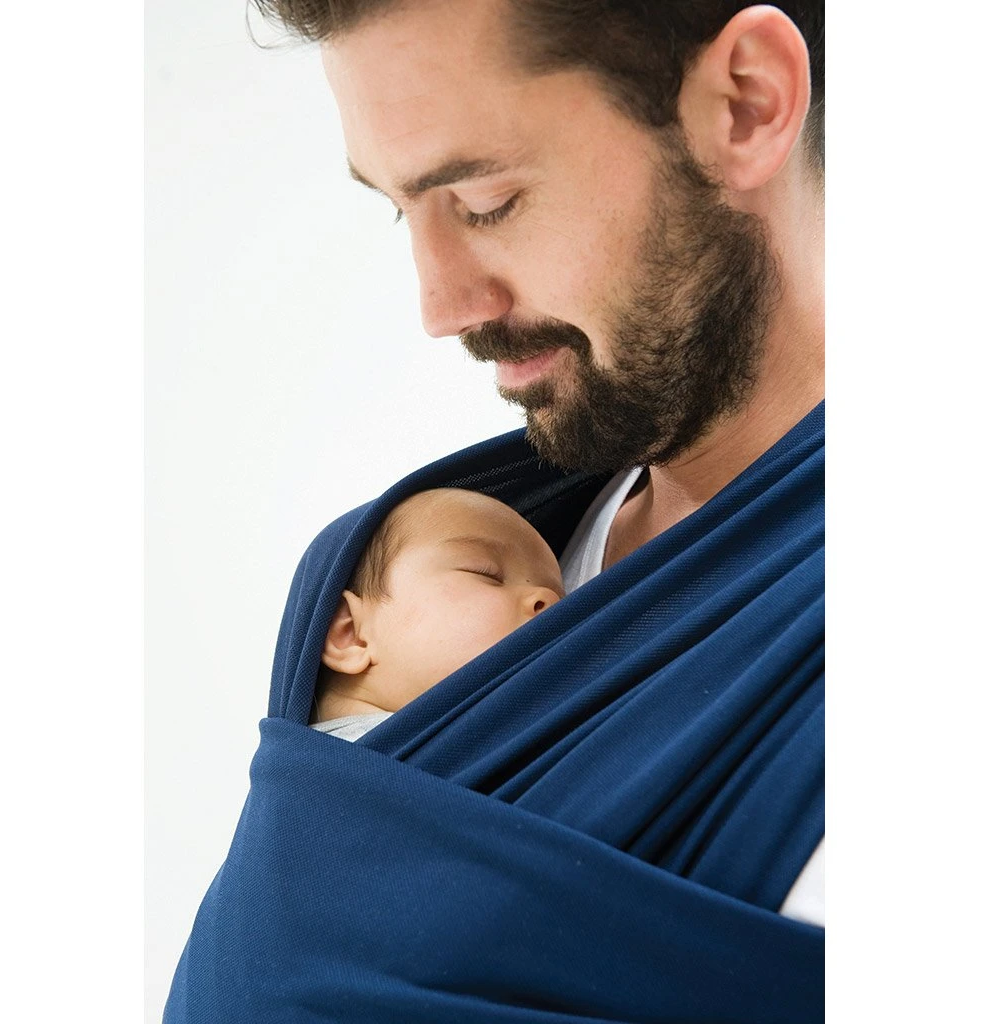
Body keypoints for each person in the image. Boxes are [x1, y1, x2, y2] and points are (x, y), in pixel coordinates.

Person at [165, 2, 825, 1020]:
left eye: (485, 202)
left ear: (746, 104)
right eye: (402, 211)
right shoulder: (444, 540)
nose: (439, 307)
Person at [313, 486, 564, 739]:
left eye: (564, 599)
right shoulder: (333, 759)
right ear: (350, 634)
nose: (550, 599)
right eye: (486, 572)